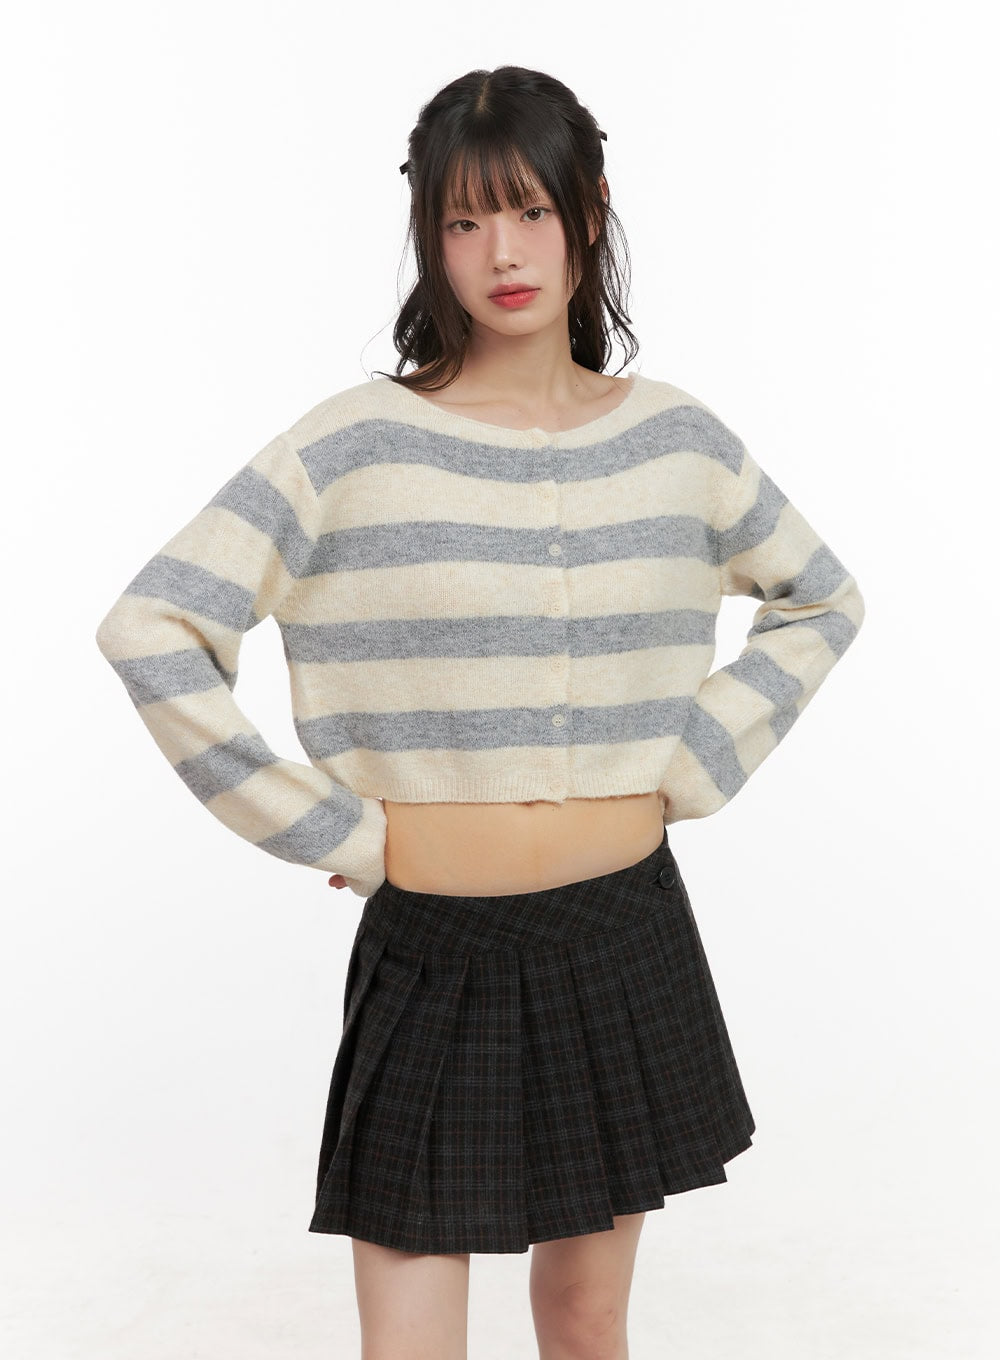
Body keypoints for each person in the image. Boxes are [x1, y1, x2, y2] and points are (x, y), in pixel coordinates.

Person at [95, 64, 865, 1360]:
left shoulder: (680, 443)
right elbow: (152, 627)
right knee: (408, 1345)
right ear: (430, 239)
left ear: (588, 211)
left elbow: (821, 597)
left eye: (527, 211)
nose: (500, 253)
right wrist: (328, 828)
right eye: (462, 221)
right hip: (432, 951)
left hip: (624, 935)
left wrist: (693, 758)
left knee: (586, 1321)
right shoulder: (353, 445)